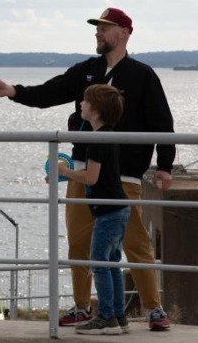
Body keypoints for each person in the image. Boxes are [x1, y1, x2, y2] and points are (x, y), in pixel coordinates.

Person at [0, 7, 175, 331]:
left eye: (105, 28)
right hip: (83, 170)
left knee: (134, 243)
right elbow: (50, 92)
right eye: (97, 28)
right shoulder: (86, 71)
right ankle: (83, 306)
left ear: (125, 32)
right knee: (78, 242)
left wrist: (165, 166)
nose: (98, 33)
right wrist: (13, 92)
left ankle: (154, 308)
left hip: (125, 176)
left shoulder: (142, 75)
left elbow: (162, 123)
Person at [55, 84, 131, 335]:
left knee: (99, 264)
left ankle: (107, 318)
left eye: (85, 102)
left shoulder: (98, 139)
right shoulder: (108, 135)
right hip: (118, 208)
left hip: (108, 212)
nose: (80, 104)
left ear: (95, 110)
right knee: (112, 264)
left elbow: (91, 177)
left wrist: (64, 172)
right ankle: (119, 317)